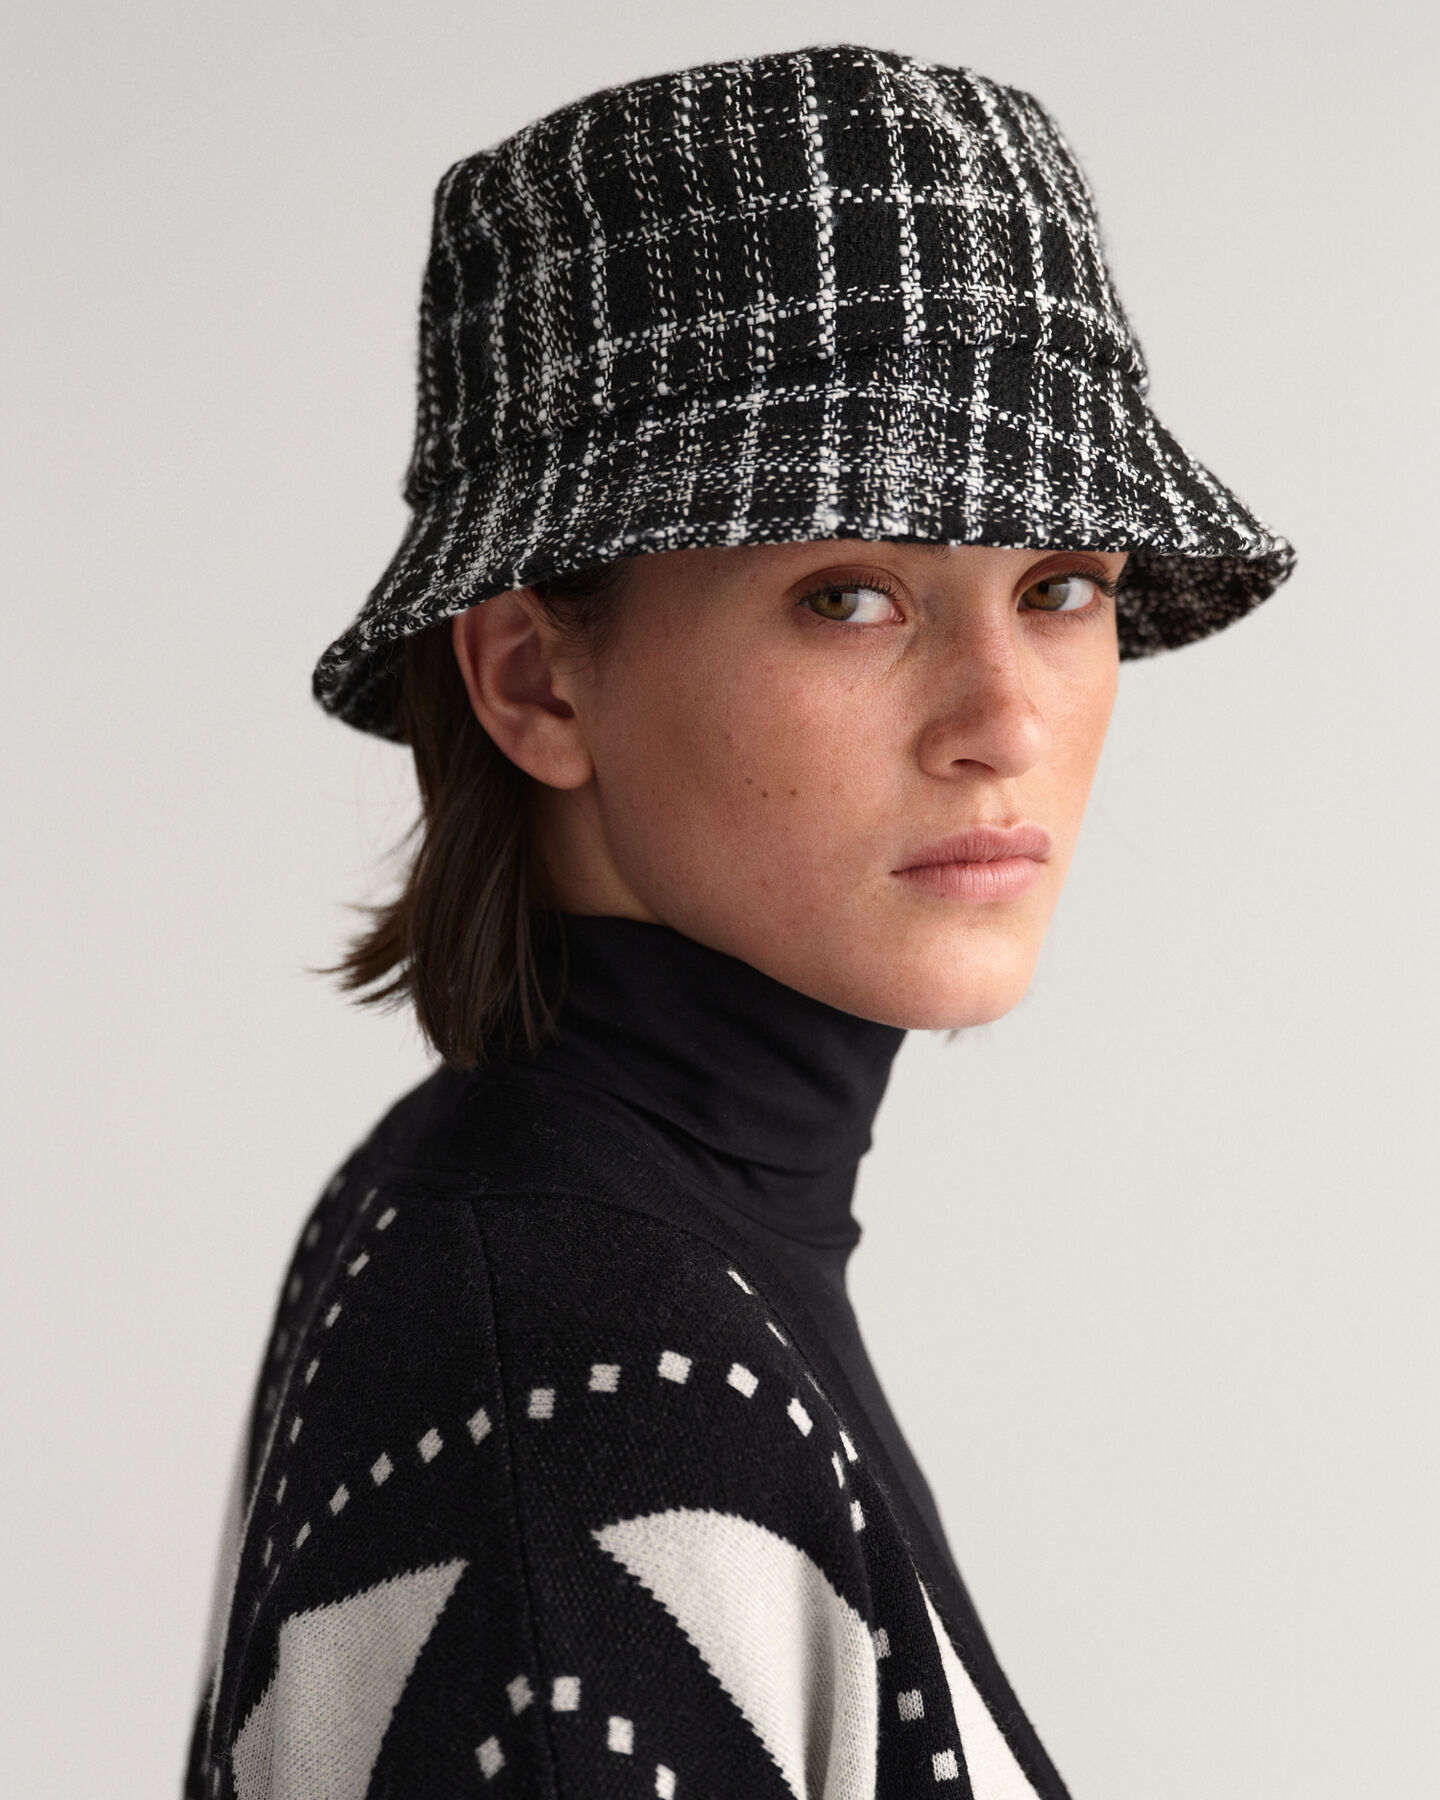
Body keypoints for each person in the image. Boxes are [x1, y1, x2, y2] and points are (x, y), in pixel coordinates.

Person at [187, 44, 1292, 1800]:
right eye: (851, 594)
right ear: (536, 682)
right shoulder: (579, 1383)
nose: (1003, 719)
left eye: (1061, 584)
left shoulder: (549, 1231)